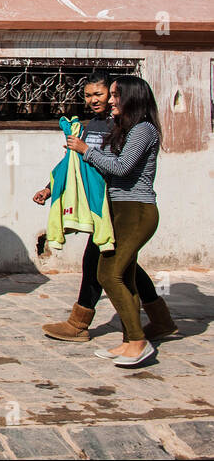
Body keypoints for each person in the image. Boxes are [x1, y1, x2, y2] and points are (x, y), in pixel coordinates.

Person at [34, 72, 175, 343]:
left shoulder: (131, 126)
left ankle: (87, 325)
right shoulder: (94, 125)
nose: (99, 100)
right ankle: (159, 321)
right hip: (103, 202)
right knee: (123, 265)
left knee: (102, 265)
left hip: (123, 205)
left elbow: (119, 166)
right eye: (89, 95)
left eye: (104, 94)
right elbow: (72, 164)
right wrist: (50, 188)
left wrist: (86, 150)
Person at [66, 75, 167, 367]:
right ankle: (129, 340)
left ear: (131, 98)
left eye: (114, 95)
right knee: (127, 275)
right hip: (118, 208)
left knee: (108, 274)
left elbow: (121, 169)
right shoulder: (125, 129)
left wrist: (87, 152)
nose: (109, 101)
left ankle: (138, 341)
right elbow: (105, 167)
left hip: (136, 209)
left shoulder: (143, 130)